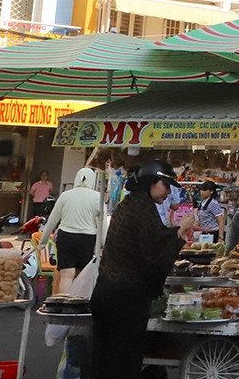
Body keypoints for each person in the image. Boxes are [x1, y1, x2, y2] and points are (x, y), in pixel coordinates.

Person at [92, 161, 196, 378]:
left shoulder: (131, 204)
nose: (168, 192)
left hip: (107, 292)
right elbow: (155, 256)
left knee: (103, 360)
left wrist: (178, 232)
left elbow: (154, 241)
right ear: (151, 181)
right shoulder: (141, 209)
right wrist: (181, 231)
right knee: (123, 363)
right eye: (166, 185)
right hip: (125, 298)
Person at [39, 167, 102, 295]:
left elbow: (52, 219)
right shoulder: (97, 197)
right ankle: (79, 304)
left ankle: (64, 303)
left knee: (66, 275)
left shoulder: (65, 195)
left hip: (66, 237)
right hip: (87, 238)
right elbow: (102, 224)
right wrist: (105, 242)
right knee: (82, 275)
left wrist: (43, 242)